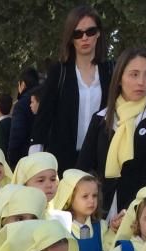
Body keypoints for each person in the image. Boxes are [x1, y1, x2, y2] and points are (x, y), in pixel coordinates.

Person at [77, 47, 146, 218]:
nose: (141, 82)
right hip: (100, 212)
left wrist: (133, 214)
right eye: (134, 74)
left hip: (142, 215)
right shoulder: (101, 119)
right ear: (119, 78)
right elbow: (84, 169)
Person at [30, 6, 114, 174]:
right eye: (78, 33)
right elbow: (43, 117)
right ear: (71, 38)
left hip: (100, 161)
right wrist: (34, 160)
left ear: (98, 33)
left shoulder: (110, 70)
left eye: (90, 31)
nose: (85, 38)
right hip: (63, 159)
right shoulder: (59, 71)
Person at [7, 67, 39, 168]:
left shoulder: (21, 105)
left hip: (25, 159)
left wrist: (12, 160)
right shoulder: (46, 99)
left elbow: (17, 135)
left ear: (23, 84)